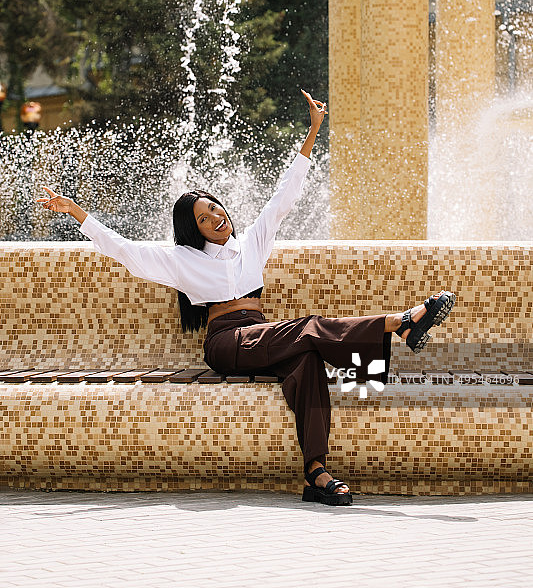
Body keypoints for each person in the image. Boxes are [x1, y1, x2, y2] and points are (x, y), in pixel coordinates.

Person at [37, 89, 456, 507]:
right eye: (204, 218)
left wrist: (313, 132)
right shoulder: (183, 260)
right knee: (309, 328)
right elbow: (126, 251)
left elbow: (284, 197)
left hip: (262, 335)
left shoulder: (252, 242)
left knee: (308, 363)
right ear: (194, 229)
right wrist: (77, 212)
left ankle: (316, 472)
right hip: (225, 343)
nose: (216, 218)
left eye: (215, 209)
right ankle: (399, 323)